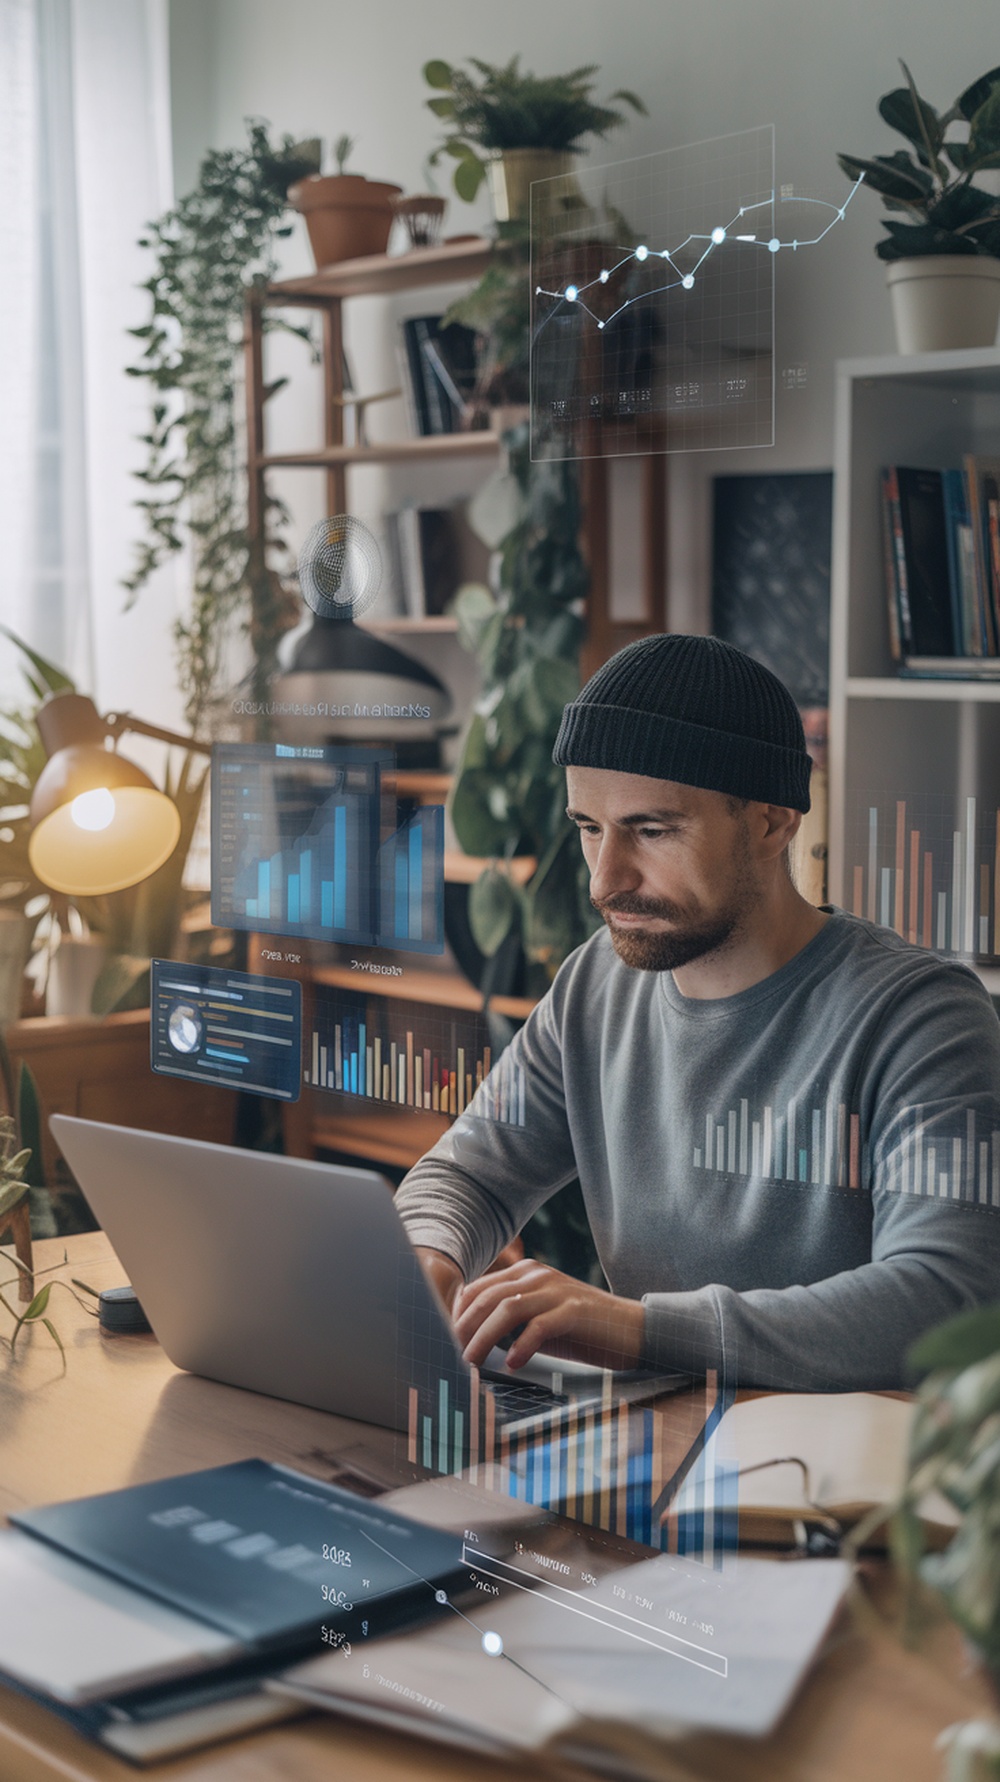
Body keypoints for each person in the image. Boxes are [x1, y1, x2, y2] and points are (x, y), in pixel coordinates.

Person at [394, 635, 1000, 1390]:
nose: (605, 880)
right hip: (659, 1432)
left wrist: (637, 1328)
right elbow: (469, 1176)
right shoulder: (595, 985)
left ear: (772, 823)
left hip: (842, 1457)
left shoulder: (922, 1018)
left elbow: (943, 1302)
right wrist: (428, 1253)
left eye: (652, 831)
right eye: (589, 828)